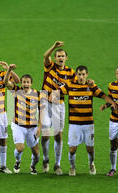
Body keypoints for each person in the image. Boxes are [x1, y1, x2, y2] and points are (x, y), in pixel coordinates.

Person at [57, 66, 117, 176]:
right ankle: (72, 167)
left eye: (83, 74)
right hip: (74, 124)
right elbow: (57, 92)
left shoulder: (91, 86)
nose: (81, 76)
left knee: (90, 149)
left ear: (87, 74)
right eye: (79, 74)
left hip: (88, 123)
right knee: (72, 149)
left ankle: (91, 163)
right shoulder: (70, 85)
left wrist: (111, 102)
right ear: (76, 75)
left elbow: (103, 95)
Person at [41, 41, 76, 175]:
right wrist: (54, 47)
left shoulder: (71, 73)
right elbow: (45, 56)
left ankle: (57, 164)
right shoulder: (50, 67)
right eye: (58, 56)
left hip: (59, 105)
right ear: (55, 58)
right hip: (45, 103)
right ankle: (45, 159)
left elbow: (74, 86)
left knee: (58, 135)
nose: (61, 58)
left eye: (63, 56)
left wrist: (90, 82)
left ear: (66, 58)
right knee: (45, 135)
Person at [4, 64, 42, 175]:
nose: (25, 84)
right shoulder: (17, 90)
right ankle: (17, 161)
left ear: (31, 83)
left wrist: (40, 127)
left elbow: (42, 111)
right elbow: (6, 83)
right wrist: (9, 70)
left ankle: (32, 166)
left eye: (27, 82)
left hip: (32, 127)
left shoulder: (37, 94)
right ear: (21, 83)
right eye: (24, 82)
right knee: (20, 148)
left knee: (36, 154)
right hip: (18, 125)